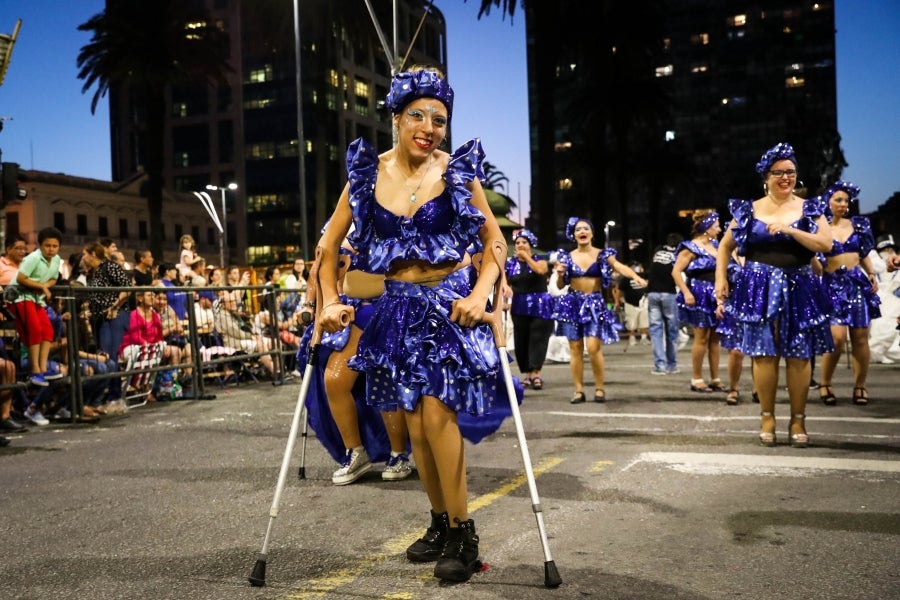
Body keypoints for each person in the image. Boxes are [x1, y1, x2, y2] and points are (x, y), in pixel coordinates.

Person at [315, 66, 515, 583]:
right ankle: (440, 522)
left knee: (435, 418)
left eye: (440, 119)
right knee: (417, 433)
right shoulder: (366, 175)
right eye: (419, 116)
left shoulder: (457, 173)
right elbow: (327, 247)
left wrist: (480, 294)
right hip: (397, 309)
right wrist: (330, 300)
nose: (429, 127)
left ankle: (464, 534)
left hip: (448, 307)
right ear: (397, 118)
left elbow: (495, 245)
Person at [715, 142, 834, 448]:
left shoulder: (809, 207)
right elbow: (725, 247)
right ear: (765, 176)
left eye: (790, 171)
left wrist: (791, 231)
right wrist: (720, 279)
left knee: (799, 354)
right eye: (778, 172)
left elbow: (825, 244)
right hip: (757, 285)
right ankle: (767, 416)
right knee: (764, 354)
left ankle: (798, 419)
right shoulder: (749, 209)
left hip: (800, 284)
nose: (785, 177)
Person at [552, 216, 648, 403]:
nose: (582, 232)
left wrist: (636, 276)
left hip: (594, 303)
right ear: (574, 234)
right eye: (578, 229)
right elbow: (560, 283)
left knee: (594, 347)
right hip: (573, 303)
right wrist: (560, 274)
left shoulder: (603, 254)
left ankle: (599, 388)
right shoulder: (567, 257)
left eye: (586, 228)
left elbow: (619, 267)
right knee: (575, 348)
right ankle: (578, 390)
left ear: (592, 233)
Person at [816, 180, 880, 406]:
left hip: (855, 284)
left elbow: (862, 254)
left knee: (861, 337)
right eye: (838, 200)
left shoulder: (857, 225)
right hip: (831, 285)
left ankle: (860, 386)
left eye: (846, 200)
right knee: (837, 337)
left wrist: (871, 272)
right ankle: (825, 382)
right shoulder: (819, 226)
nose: (844, 204)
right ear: (828, 201)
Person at [672, 210, 726, 393]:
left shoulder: (718, 246)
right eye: (716, 226)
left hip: (716, 293)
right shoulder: (690, 247)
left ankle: (715, 378)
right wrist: (686, 292)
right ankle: (696, 378)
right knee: (701, 337)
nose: (719, 229)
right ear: (706, 228)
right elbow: (676, 271)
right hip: (699, 292)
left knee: (715, 338)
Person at [83, 241, 133, 413]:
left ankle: (115, 397)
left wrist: (115, 306)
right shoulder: (92, 274)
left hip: (115, 316)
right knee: (105, 355)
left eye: (85, 254)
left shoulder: (109, 267)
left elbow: (127, 287)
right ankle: (110, 397)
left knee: (109, 355)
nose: (83, 258)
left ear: (93, 254)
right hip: (99, 318)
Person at [503, 229, 554, 390]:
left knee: (537, 339)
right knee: (521, 341)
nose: (520, 245)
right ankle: (527, 374)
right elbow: (503, 281)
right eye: (518, 243)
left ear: (530, 245)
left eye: (524, 242)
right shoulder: (510, 264)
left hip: (540, 306)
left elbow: (540, 271)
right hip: (519, 305)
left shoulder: (540, 259)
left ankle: (536, 373)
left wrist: (526, 258)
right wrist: (505, 289)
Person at [647, 233, 683, 375]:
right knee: (672, 331)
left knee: (656, 331)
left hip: (652, 292)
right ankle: (672, 365)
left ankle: (660, 366)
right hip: (669, 292)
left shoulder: (658, 250)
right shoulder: (679, 253)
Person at [869, 235, 900, 364]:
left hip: (895, 298)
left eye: (890, 249)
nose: (888, 252)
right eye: (885, 249)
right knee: (882, 328)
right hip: (879, 299)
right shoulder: (871, 262)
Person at [618, 261, 649, 349]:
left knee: (644, 320)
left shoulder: (644, 276)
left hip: (643, 301)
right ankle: (632, 337)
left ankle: (644, 337)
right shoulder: (626, 278)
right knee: (631, 321)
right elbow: (619, 289)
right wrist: (619, 300)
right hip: (630, 302)